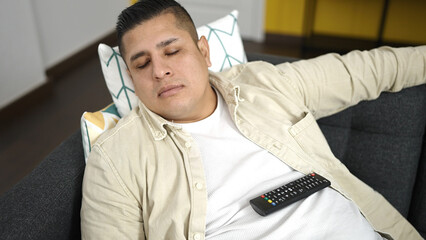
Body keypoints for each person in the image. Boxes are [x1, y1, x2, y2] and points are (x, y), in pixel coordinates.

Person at [80, 0, 426, 239]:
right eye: (142, 64)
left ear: (203, 51)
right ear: (131, 75)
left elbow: (367, 70)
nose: (160, 70)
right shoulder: (115, 158)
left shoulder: (264, 83)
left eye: (172, 51)